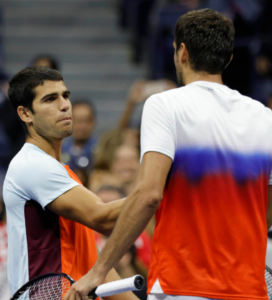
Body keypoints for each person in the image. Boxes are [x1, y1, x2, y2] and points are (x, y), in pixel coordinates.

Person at [68, 9, 272, 300]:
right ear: (228, 59)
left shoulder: (165, 105)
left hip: (181, 287)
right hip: (249, 289)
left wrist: (99, 271)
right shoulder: (266, 118)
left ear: (182, 53)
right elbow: (266, 208)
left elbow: (149, 195)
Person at [3, 66, 137, 300]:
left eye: (65, 96)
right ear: (25, 114)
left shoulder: (62, 174)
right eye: (50, 99)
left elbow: (93, 258)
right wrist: (162, 189)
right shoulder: (32, 165)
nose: (64, 105)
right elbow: (102, 217)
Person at [62, 99, 97, 174]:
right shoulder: (60, 153)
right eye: (77, 121)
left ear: (93, 122)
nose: (82, 127)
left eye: (86, 121)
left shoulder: (100, 153)